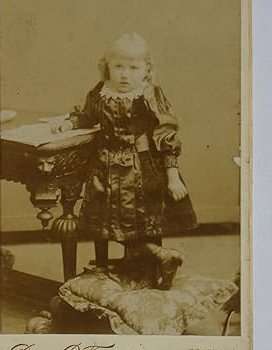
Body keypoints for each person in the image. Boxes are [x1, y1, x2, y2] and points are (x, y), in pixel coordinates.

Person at [52, 33, 196, 289]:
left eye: (133, 68)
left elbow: (167, 133)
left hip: (142, 168)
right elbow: (86, 116)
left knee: (144, 221)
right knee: (105, 223)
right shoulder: (100, 92)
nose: (125, 75)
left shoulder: (149, 94)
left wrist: (172, 176)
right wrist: (68, 123)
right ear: (107, 67)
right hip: (104, 167)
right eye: (119, 66)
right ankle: (116, 265)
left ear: (146, 70)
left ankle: (153, 270)